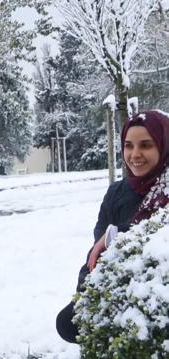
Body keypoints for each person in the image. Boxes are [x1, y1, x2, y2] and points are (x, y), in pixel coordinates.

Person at [56, 110, 169, 343]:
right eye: (129, 145)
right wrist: (87, 293)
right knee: (68, 322)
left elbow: (161, 235)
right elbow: (97, 252)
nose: (135, 154)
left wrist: (116, 235)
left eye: (146, 145)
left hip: (160, 290)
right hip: (123, 287)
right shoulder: (117, 193)